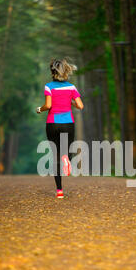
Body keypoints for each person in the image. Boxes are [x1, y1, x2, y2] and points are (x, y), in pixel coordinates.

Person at [36, 58, 84, 198]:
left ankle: (59, 191)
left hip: (52, 123)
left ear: (52, 72)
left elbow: (48, 106)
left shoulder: (48, 86)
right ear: (66, 71)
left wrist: (40, 109)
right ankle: (66, 158)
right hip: (68, 123)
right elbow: (80, 106)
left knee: (55, 156)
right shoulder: (71, 87)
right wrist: (71, 102)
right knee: (67, 152)